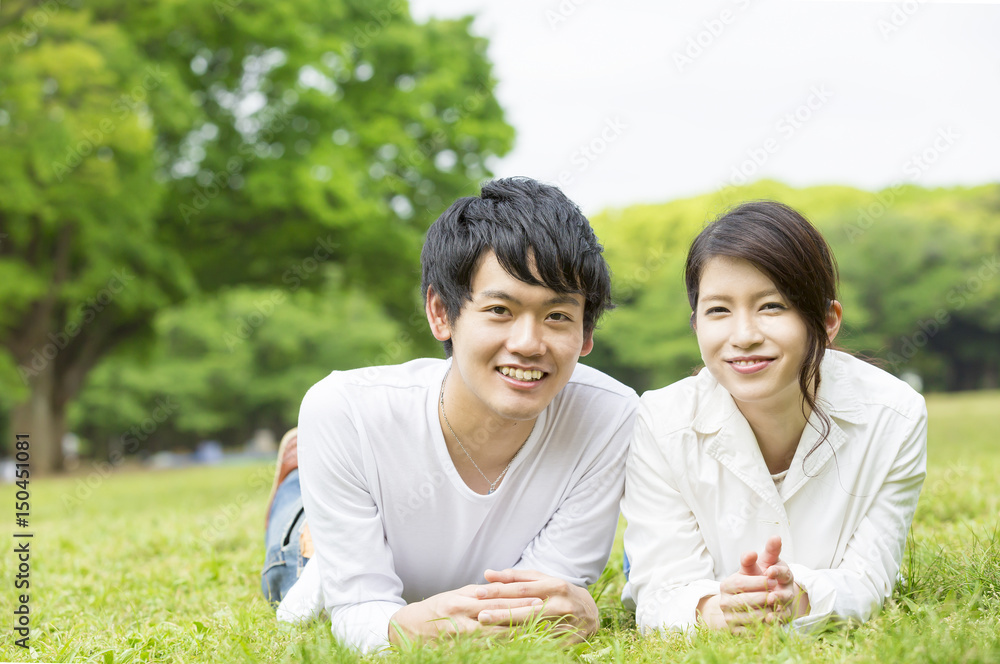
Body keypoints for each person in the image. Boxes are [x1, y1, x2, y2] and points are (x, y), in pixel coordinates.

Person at [261, 177, 638, 653]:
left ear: (586, 334)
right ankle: (301, 482)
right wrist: (394, 627)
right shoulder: (344, 409)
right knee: (295, 575)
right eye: (500, 309)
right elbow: (358, 608)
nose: (527, 343)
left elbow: (543, 601)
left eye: (557, 316)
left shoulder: (611, 417)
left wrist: (568, 607)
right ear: (442, 313)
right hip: (322, 540)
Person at [621, 200, 927, 633]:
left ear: (827, 320)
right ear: (696, 325)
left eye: (771, 306)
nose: (743, 336)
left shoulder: (894, 416)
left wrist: (798, 599)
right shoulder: (661, 419)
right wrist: (717, 610)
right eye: (718, 311)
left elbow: (871, 578)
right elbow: (658, 594)